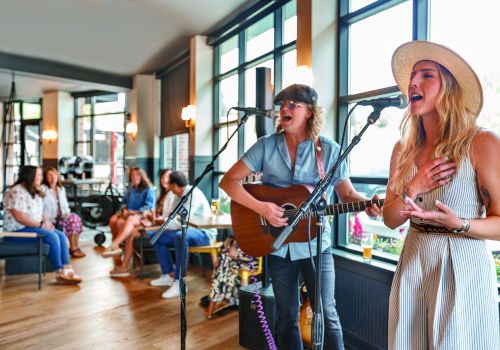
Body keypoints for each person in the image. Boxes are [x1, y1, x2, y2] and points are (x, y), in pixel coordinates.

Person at [220, 84, 381, 350]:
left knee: (327, 315)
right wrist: (262, 208)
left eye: (293, 104)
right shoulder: (266, 146)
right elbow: (229, 182)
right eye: (282, 103)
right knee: (285, 317)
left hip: (317, 246)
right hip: (279, 246)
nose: (285, 108)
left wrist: (367, 204)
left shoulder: (328, 149)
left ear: (309, 112)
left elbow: (347, 194)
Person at [383, 41, 500, 349]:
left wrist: (460, 223)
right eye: (412, 76)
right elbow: (389, 219)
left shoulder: (481, 142)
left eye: (427, 75)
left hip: (463, 263)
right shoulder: (401, 150)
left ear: (449, 87)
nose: (413, 82)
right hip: (414, 259)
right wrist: (414, 187)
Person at [2, 166, 82, 284]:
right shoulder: (15, 191)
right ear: (30, 176)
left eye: (40, 175)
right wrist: (40, 225)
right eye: (38, 175)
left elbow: (41, 210)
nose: (41, 178)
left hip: (31, 227)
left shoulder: (34, 190)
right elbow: (20, 217)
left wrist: (46, 222)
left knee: (60, 235)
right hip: (16, 232)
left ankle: (67, 267)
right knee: (52, 236)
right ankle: (59, 271)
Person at [150, 171, 217, 299]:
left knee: (179, 236)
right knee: (156, 236)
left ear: (174, 185)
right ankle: (167, 275)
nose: (168, 187)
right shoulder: (177, 195)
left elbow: (180, 221)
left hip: (204, 233)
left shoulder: (193, 194)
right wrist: (161, 227)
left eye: (169, 184)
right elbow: (171, 216)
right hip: (187, 230)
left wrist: (162, 224)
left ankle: (179, 283)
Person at [102, 169, 171, 277]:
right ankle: (122, 260)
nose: (164, 180)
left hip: (155, 224)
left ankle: (116, 247)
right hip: (151, 222)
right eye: (162, 177)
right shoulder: (162, 194)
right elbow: (155, 213)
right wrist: (124, 210)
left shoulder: (162, 193)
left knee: (130, 224)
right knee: (119, 223)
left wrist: (134, 212)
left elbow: (150, 209)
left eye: (167, 177)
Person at [41, 167, 85, 258]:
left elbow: (65, 204)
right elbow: (39, 206)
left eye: (54, 175)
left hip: (62, 216)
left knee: (75, 218)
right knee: (72, 220)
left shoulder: (61, 189)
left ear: (58, 176)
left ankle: (75, 246)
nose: (53, 178)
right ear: (45, 178)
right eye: (49, 176)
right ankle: (73, 248)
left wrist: (67, 214)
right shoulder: (42, 189)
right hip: (50, 218)